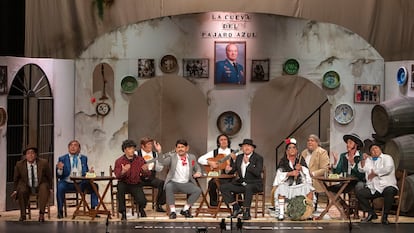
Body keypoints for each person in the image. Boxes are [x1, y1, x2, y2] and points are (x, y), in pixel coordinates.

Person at [220, 139, 263, 220]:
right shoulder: (239, 157)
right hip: (242, 183)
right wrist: (228, 170)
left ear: (252, 148)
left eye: (248, 146)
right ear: (242, 148)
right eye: (244, 146)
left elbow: (257, 172)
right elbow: (233, 170)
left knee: (248, 187)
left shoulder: (258, 158)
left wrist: (248, 164)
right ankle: (236, 208)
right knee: (223, 187)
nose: (246, 148)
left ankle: (246, 212)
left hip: (255, 184)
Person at [158, 139, 202, 219]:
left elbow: (197, 167)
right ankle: (173, 211)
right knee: (168, 186)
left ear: (187, 148)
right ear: (176, 149)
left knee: (198, 190)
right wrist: (159, 151)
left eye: (182, 147)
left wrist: (198, 172)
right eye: (178, 147)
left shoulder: (191, 157)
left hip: (186, 183)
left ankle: (185, 209)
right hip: (174, 183)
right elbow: (162, 162)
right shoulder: (172, 157)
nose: (180, 149)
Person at [357, 142, 398, 225]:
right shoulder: (369, 160)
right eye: (372, 149)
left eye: (376, 148)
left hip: (387, 185)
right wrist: (363, 160)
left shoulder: (387, 157)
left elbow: (388, 168)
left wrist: (375, 173)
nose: (374, 150)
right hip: (374, 188)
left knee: (389, 191)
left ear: (380, 149)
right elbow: (361, 169)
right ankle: (372, 213)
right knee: (360, 193)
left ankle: (385, 217)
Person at [272, 138, 314, 220]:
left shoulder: (300, 161)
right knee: (281, 189)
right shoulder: (283, 161)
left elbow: (307, 174)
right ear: (286, 151)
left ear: (296, 150)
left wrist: (301, 168)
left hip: (298, 185)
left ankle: (308, 212)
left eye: (294, 147)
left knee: (309, 189)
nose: (292, 149)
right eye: (289, 148)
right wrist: (290, 173)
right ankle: (281, 213)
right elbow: (279, 175)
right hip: (287, 186)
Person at [56, 140, 99, 219]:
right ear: (68, 148)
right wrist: (60, 169)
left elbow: (85, 172)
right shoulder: (62, 158)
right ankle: (60, 211)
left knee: (94, 186)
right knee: (60, 187)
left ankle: (93, 210)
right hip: (67, 183)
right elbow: (59, 175)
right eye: (71, 145)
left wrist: (89, 173)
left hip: (80, 183)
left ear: (79, 149)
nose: (73, 147)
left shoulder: (83, 158)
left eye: (75, 145)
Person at [11, 145, 52, 222]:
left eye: (32, 153)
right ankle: (23, 215)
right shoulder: (19, 164)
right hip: (27, 185)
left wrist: (50, 188)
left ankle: (41, 214)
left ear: (36, 155)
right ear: (25, 156)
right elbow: (16, 178)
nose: (30, 155)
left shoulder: (43, 163)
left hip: (39, 184)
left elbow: (49, 176)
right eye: (28, 153)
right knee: (21, 190)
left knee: (44, 188)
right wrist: (15, 190)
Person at [114, 139, 151, 220]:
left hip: (135, 183)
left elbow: (147, 175)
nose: (132, 151)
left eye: (133, 148)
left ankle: (141, 209)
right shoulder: (119, 161)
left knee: (142, 201)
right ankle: (123, 212)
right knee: (120, 189)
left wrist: (146, 171)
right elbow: (117, 176)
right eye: (129, 148)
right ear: (125, 150)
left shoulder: (140, 160)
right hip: (124, 182)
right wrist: (123, 171)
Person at [329, 133, 366, 213]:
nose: (347, 145)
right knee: (330, 190)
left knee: (358, 187)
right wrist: (335, 162)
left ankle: (356, 211)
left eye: (350, 143)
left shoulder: (361, 156)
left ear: (355, 145)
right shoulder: (343, 156)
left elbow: (361, 175)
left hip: (357, 182)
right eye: (347, 143)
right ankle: (346, 207)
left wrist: (353, 163)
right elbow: (338, 172)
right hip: (346, 182)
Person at [198, 134, 236, 206]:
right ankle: (214, 205)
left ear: (228, 141)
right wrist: (209, 162)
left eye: (225, 139)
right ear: (218, 142)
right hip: (217, 176)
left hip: (229, 177)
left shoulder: (233, 152)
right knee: (211, 184)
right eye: (221, 140)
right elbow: (200, 159)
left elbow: (239, 164)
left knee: (235, 184)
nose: (223, 141)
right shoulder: (214, 152)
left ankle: (236, 204)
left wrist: (235, 160)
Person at [136, 136, 166, 212]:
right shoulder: (136, 154)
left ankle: (159, 204)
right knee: (135, 185)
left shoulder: (155, 154)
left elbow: (159, 169)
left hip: (151, 177)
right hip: (140, 178)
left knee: (163, 184)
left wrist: (159, 152)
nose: (151, 146)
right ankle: (140, 206)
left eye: (151, 144)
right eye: (148, 144)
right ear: (143, 146)